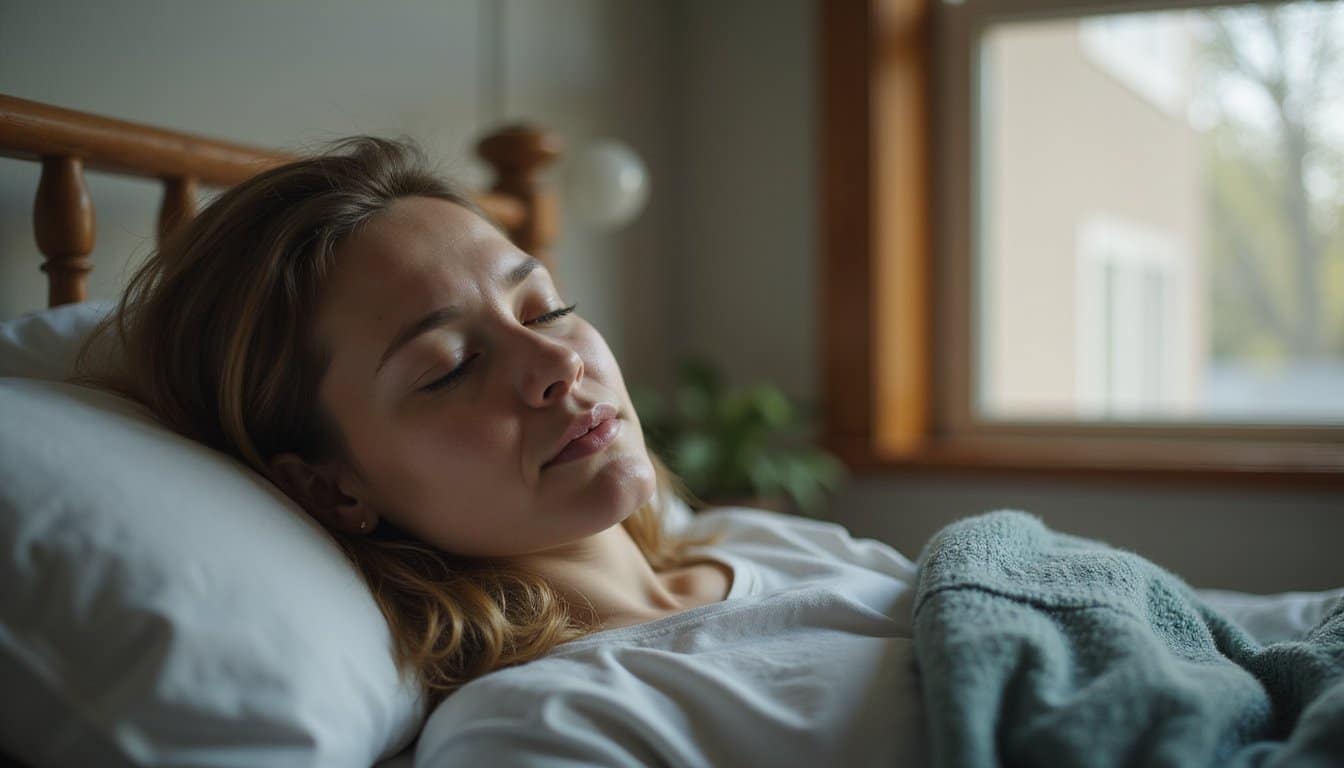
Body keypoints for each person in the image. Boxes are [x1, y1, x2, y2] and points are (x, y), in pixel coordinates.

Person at [86, 137, 930, 765]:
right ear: (330, 489)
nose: (559, 364)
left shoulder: (766, 544)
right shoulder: (547, 729)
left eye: (543, 310)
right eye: (450, 367)